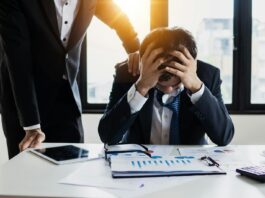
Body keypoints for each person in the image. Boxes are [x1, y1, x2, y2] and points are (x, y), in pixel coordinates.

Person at [0, 0, 140, 158]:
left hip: (66, 96)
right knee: (26, 172)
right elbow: (19, 61)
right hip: (24, 102)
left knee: (73, 167)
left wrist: (136, 49)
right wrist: (31, 125)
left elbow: (118, 18)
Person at [98, 27, 234, 146]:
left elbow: (224, 137)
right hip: (139, 165)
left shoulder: (207, 76)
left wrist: (196, 88)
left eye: (176, 85)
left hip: (191, 167)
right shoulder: (128, 73)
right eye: (159, 85)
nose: (169, 90)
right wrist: (141, 86)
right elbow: (108, 136)